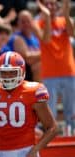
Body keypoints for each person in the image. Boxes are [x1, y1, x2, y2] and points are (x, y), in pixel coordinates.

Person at [33, 0, 75, 134]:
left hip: (68, 70)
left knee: (72, 110)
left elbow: (72, 33)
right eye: (47, 4)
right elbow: (46, 39)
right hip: (49, 74)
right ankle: (51, 137)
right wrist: (46, 17)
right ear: (41, 6)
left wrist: (66, 12)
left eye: (52, 3)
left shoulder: (64, 20)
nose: (50, 7)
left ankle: (71, 134)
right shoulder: (37, 23)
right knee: (51, 111)